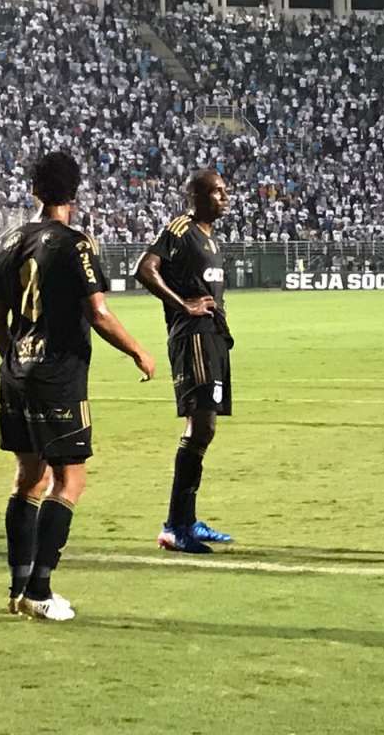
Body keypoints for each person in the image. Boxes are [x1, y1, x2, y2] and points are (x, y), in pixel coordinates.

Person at [0, 151, 155, 621]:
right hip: (58, 376)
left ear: (34, 189)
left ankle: (18, 589)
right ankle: (40, 590)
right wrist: (138, 351)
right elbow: (97, 312)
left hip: (15, 373)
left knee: (29, 477)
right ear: (75, 193)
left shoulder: (7, 241)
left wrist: (15, 360)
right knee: (70, 480)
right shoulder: (74, 244)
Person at [135, 169, 236, 554]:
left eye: (225, 191)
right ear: (195, 196)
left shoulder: (210, 237)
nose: (224, 197)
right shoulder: (181, 228)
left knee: (206, 428)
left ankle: (187, 520)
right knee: (200, 425)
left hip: (213, 337)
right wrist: (183, 305)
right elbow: (145, 268)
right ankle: (175, 526)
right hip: (192, 336)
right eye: (216, 191)